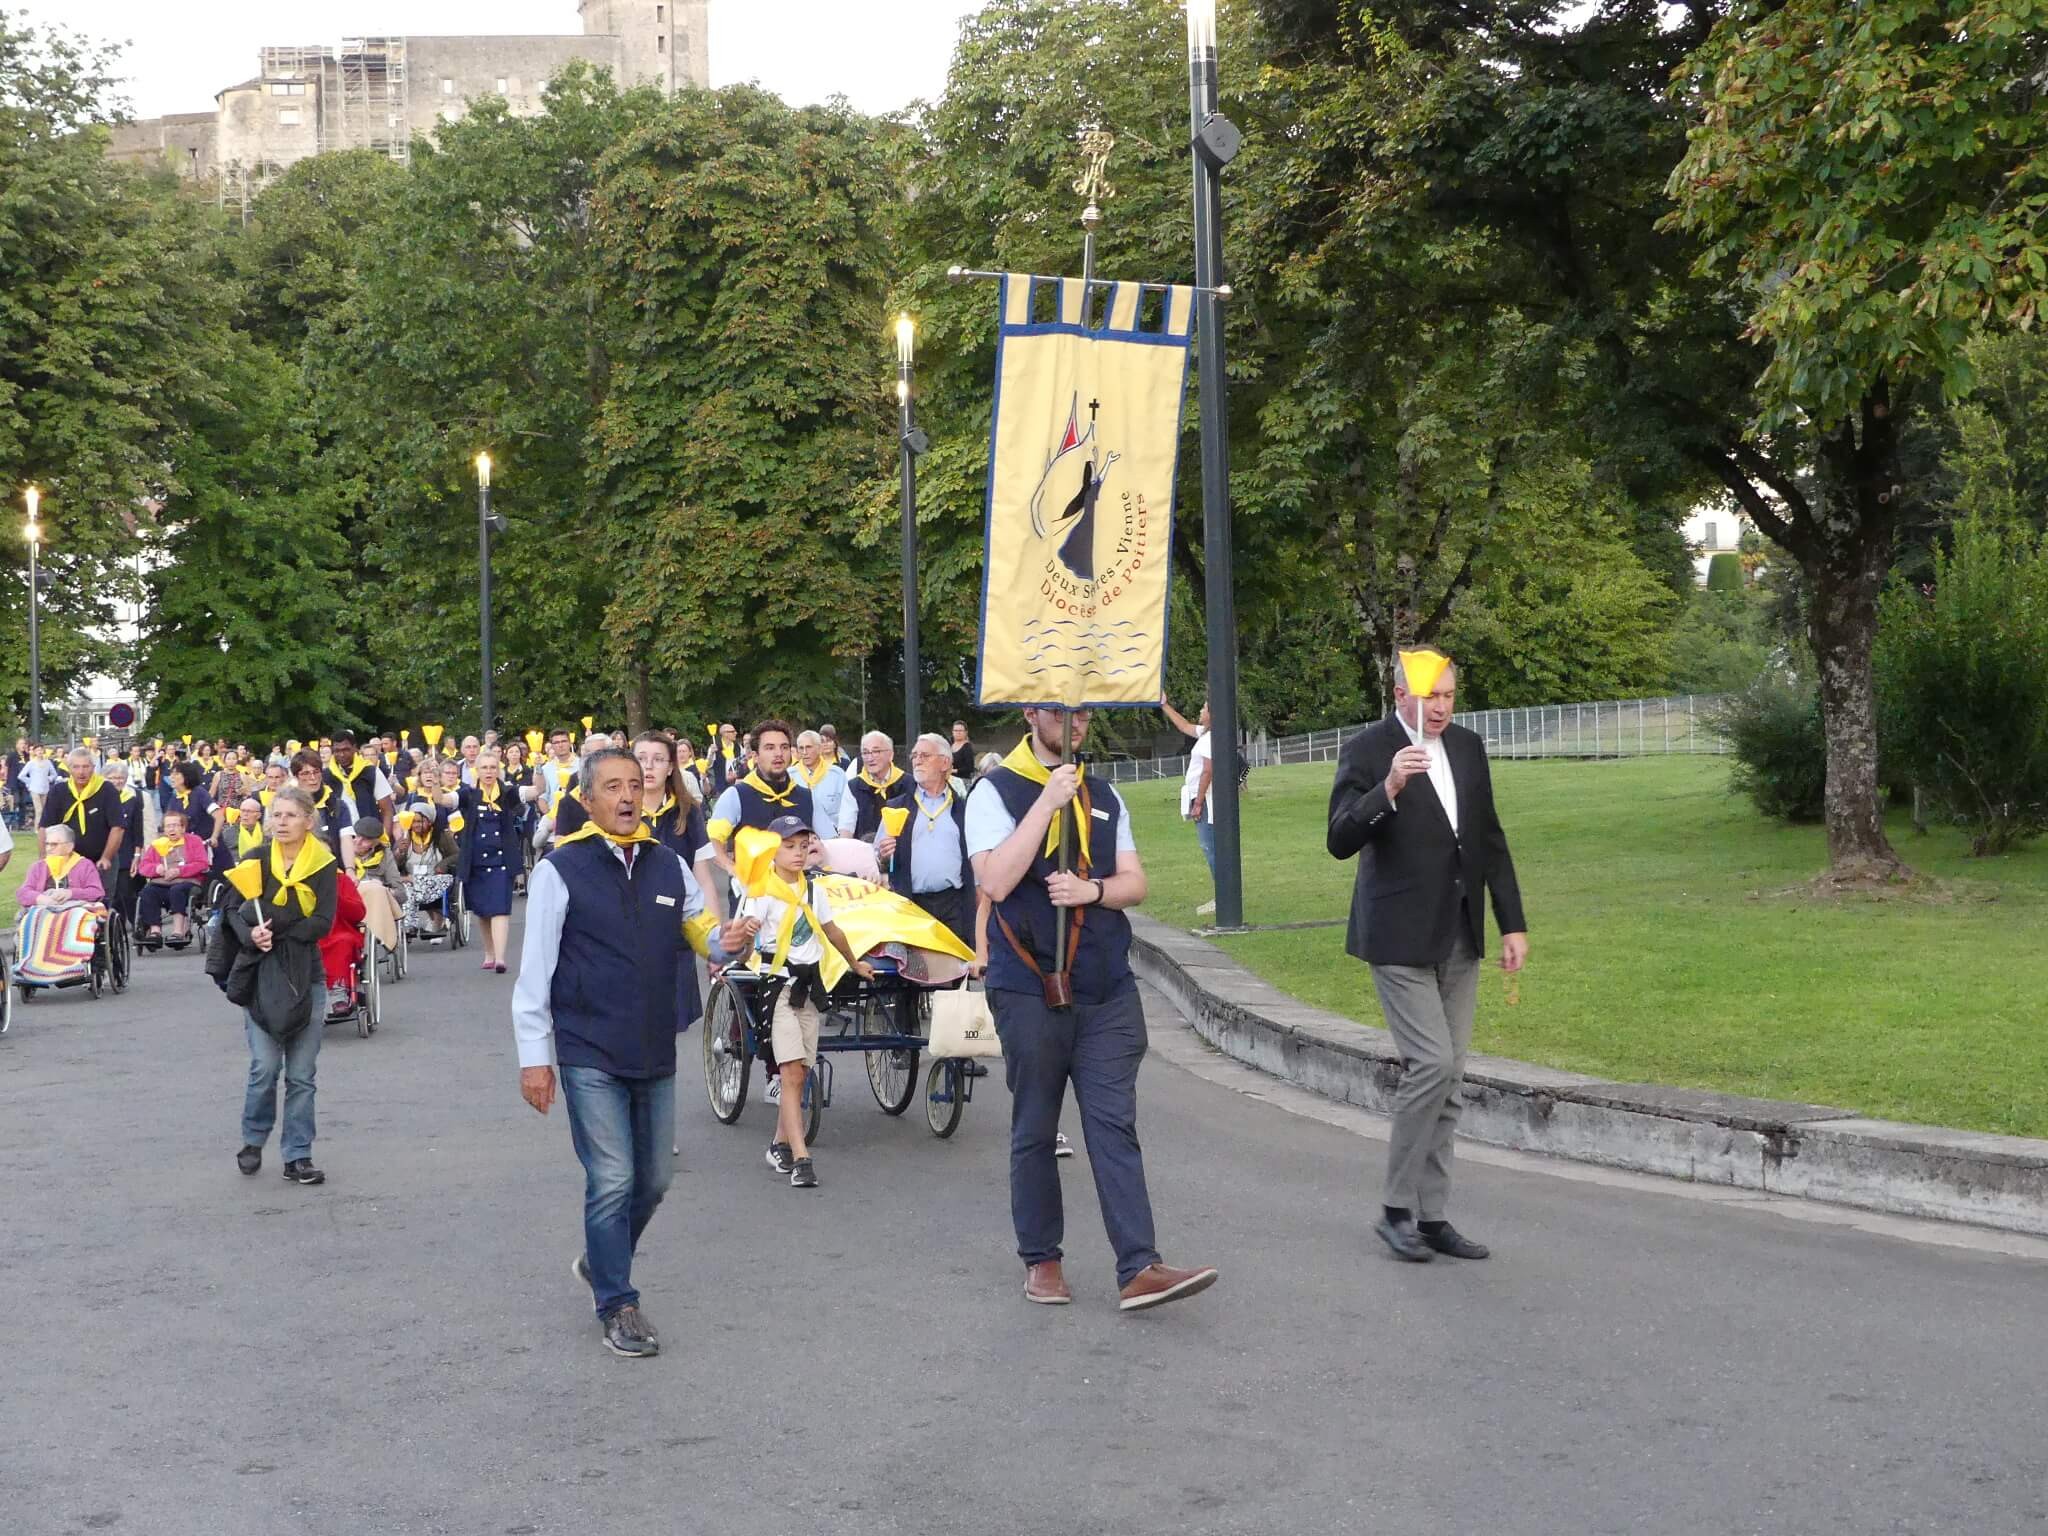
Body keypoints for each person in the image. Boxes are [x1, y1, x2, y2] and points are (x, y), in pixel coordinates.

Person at [968, 705, 1218, 1311]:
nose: (1076, 721)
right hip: (1029, 986)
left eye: (1083, 711)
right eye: (1060, 709)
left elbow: (1135, 882)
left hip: (1106, 987)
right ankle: (1042, 1258)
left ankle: (1139, 1265)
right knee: (1035, 1123)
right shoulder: (993, 791)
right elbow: (995, 880)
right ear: (1031, 714)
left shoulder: (1103, 794)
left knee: (1113, 1124)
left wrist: (1094, 891)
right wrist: (1046, 805)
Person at [1325, 647, 1528, 1264]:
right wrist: (1387, 787)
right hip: (1397, 937)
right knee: (1431, 1065)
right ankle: (1394, 1208)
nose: (1438, 708)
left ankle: (1433, 1215)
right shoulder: (1368, 750)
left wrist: (1511, 923)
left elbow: (1488, 841)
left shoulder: (1467, 749)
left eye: (1447, 695)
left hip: (1460, 936)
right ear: (1399, 695)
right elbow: (1338, 839)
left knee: (1452, 1080)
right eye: (1427, 696)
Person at [511, 747, 712, 1359]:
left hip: (652, 1044)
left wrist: (723, 941)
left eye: (635, 785)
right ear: (588, 798)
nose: (627, 796)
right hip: (586, 1047)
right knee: (613, 1177)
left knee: (652, 1180)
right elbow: (535, 971)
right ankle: (618, 1303)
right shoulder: (561, 868)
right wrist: (533, 1057)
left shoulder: (667, 866)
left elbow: (698, 927)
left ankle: (600, 1259)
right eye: (612, 787)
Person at [721, 815, 874, 1190]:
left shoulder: (812, 890)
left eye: (803, 847)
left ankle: (779, 1144)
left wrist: (856, 963)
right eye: (789, 846)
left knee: (801, 1073)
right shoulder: (760, 891)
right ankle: (802, 1158)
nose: (798, 853)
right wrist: (747, 934)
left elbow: (831, 929)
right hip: (778, 987)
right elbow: (741, 943)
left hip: (810, 987)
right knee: (790, 1071)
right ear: (773, 850)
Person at [210, 785, 338, 1186]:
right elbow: (231, 910)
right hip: (261, 974)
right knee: (264, 1068)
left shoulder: (322, 864)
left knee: (301, 1074)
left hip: (305, 975)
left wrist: (275, 928)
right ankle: (253, 1138)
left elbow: (322, 922)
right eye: (276, 815)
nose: (281, 822)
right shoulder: (255, 859)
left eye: (290, 816)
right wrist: (252, 937)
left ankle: (298, 1155)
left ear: (308, 821)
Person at [880, 732, 977, 947]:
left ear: (945, 763)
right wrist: (883, 854)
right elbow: (879, 858)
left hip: (954, 904)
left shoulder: (964, 808)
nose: (917, 760)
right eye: (914, 755)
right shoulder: (896, 807)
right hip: (912, 902)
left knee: (954, 973)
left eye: (925, 755)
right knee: (917, 974)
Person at [449, 747, 519, 972]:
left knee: (500, 908)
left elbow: (536, 790)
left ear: (498, 769)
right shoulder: (468, 794)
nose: (489, 772)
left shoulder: (506, 792)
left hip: (502, 860)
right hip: (476, 860)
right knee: (482, 911)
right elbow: (445, 799)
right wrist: (434, 786)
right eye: (484, 768)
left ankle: (500, 958)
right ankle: (489, 952)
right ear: (476, 770)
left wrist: (537, 767)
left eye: (492, 767)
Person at [706, 720, 813, 862]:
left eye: (784, 747)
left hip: (797, 882)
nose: (778, 753)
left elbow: (829, 843)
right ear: (755, 756)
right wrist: (732, 870)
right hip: (752, 883)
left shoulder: (807, 796)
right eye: (770, 748)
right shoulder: (736, 795)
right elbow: (713, 843)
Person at [1164, 697, 1218, 917]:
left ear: (1212, 715)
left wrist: (1198, 802)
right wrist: (1164, 705)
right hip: (1201, 798)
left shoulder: (1210, 738)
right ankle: (1222, 894)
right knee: (1210, 847)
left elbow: (1208, 770)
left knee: (1210, 848)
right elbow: (1183, 726)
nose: (1200, 710)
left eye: (1204, 708)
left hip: (1205, 799)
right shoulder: (1205, 734)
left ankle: (1222, 896)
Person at [40, 746, 127, 881]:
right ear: (69, 768)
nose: (81, 772)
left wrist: (106, 857)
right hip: (65, 861)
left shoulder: (107, 790)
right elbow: (45, 827)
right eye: (76, 767)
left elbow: (118, 827)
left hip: (99, 861)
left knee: (101, 900)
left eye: (86, 767)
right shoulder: (58, 791)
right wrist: (43, 859)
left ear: (93, 767)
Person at [135, 806, 210, 948]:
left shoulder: (194, 841)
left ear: (183, 828)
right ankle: (155, 931)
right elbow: (143, 867)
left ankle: (178, 930)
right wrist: (156, 869)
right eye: (168, 826)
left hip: (187, 882)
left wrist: (179, 871)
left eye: (175, 825)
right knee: (147, 892)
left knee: (177, 890)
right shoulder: (157, 844)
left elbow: (202, 863)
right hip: (161, 882)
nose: (171, 829)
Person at [394, 800, 458, 940]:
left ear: (429, 821)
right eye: (413, 821)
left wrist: (443, 864)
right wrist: (400, 852)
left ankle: (437, 921)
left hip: (437, 878)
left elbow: (457, 855)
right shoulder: (406, 839)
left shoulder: (441, 837)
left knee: (411, 884)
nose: (415, 825)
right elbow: (394, 865)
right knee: (406, 888)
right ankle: (409, 925)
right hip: (412, 881)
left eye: (419, 821)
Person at [324, 729, 395, 831]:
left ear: (354, 748)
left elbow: (387, 811)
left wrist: (384, 841)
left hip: (369, 837)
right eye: (337, 751)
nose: (342, 755)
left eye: (346, 750)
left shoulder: (371, 772)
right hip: (339, 838)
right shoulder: (327, 775)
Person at [846, 731, 907, 841]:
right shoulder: (853, 786)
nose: (870, 758)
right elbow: (846, 827)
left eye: (876, 751)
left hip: (901, 851)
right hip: (865, 852)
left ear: (891, 755)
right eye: (865, 753)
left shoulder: (908, 783)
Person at [792, 730, 850, 843]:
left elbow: (847, 809)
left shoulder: (837, 775)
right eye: (801, 748)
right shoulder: (790, 776)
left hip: (831, 840)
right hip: (799, 839)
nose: (804, 752)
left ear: (819, 748)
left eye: (808, 747)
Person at [21, 746, 58, 827]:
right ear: (34, 752)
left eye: (41, 750)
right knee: (39, 810)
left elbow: (54, 774)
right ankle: (37, 827)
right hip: (34, 789)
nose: (40, 752)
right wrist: (30, 782)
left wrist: (49, 779)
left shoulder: (47, 762)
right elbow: (21, 776)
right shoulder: (31, 763)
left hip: (45, 789)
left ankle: (44, 826)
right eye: (37, 750)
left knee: (45, 809)